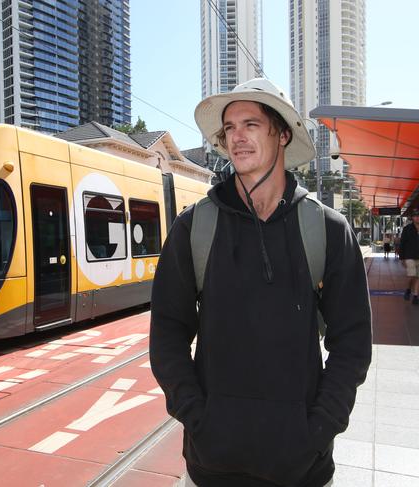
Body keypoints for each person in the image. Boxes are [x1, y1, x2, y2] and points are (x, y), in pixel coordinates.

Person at [149, 78, 372, 487]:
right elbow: (167, 334)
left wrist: (318, 431)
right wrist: (200, 420)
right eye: (229, 128)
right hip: (211, 465)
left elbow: (353, 344)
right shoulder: (193, 227)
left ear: (282, 133)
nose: (237, 137)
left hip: (302, 468)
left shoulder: (327, 229)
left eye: (250, 124)